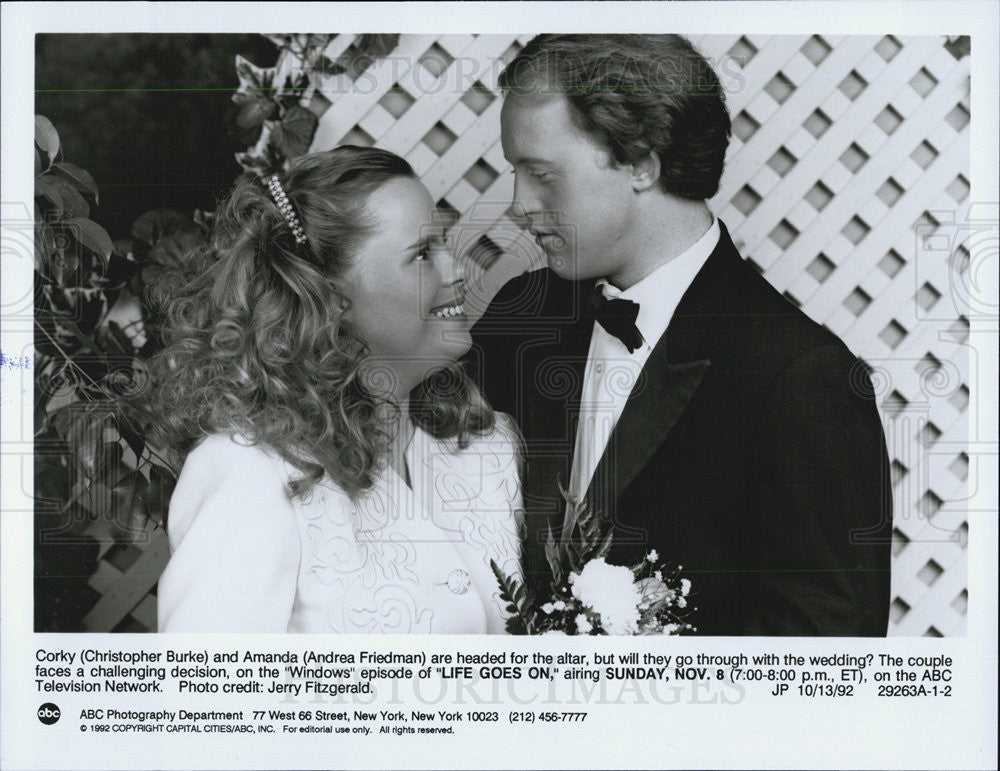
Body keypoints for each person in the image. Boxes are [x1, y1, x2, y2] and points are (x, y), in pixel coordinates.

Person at [469, 34, 892, 635]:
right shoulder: (522, 316)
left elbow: (831, 658)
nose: (518, 202)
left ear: (642, 163)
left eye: (541, 174)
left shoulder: (800, 376)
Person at [151, 146, 522, 633]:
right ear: (331, 299)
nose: (457, 271)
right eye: (423, 254)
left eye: (445, 245)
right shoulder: (250, 472)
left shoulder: (484, 444)